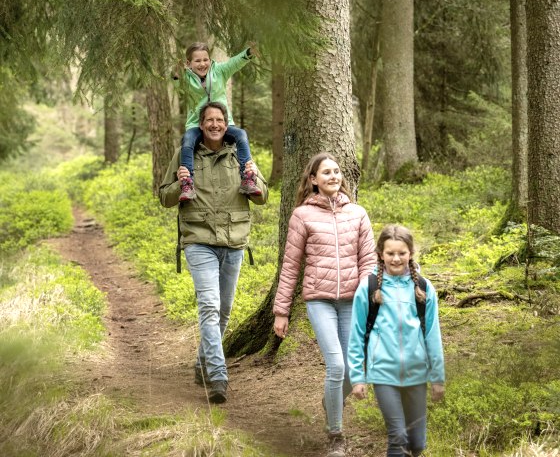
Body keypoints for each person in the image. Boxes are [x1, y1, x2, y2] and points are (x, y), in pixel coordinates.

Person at [159, 101, 268, 404]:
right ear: (201, 123)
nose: (215, 125)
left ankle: (201, 363)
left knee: (223, 312)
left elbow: (262, 197)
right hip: (199, 239)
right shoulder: (185, 155)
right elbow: (165, 197)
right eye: (210, 120)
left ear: (227, 123)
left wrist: (255, 176)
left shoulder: (239, 154)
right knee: (209, 306)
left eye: (220, 120)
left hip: (234, 241)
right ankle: (218, 376)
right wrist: (180, 182)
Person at [273, 152, 376, 457]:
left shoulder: (357, 213)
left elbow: (368, 260)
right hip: (319, 300)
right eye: (326, 173)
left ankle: (330, 402)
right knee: (337, 364)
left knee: (353, 368)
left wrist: (365, 293)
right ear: (313, 180)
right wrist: (281, 311)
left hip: (351, 302)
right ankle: (336, 435)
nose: (333, 176)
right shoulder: (302, 216)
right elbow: (290, 265)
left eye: (336, 171)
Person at [347, 224, 445, 457]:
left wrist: (437, 377)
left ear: (410, 253)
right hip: (383, 373)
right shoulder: (369, 287)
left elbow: (432, 334)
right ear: (381, 254)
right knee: (398, 437)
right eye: (390, 253)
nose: (396, 259)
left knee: (418, 443)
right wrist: (357, 377)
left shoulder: (423, 287)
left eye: (402, 253)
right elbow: (357, 334)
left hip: (417, 373)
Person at [173, 41, 260, 201]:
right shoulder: (186, 78)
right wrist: (176, 73)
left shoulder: (219, 71)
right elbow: (175, 81)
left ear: (210, 60)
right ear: (189, 63)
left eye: (205, 59)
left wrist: (248, 52)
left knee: (241, 135)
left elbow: (234, 63)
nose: (202, 64)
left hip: (221, 124)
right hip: (196, 124)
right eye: (197, 61)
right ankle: (187, 183)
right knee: (187, 141)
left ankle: (248, 178)